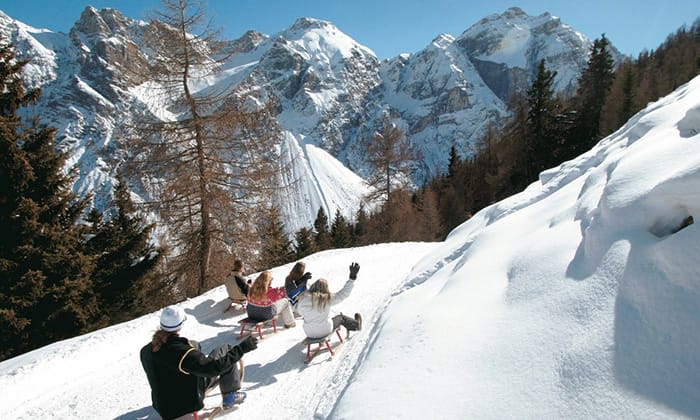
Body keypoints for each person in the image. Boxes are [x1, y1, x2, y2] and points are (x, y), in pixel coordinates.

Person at [140, 305, 258, 419]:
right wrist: (241, 348)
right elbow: (213, 369)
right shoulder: (182, 352)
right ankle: (230, 395)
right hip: (184, 405)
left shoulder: (146, 350)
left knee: (194, 345)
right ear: (180, 324)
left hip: (163, 406)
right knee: (225, 350)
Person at [297, 262, 363, 339]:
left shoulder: (302, 298)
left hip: (308, 332)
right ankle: (357, 324)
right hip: (324, 330)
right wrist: (352, 278)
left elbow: (300, 312)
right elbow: (343, 294)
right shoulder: (326, 298)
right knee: (340, 318)